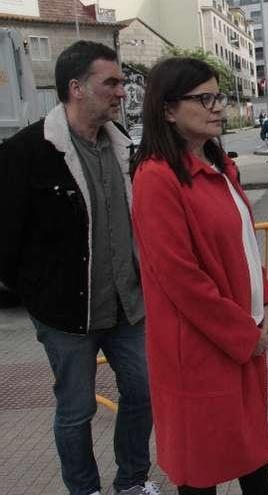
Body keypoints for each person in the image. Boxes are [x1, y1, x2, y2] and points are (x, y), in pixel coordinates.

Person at [0, 41, 158, 495]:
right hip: (67, 316)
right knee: (76, 410)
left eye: (122, 82)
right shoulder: (27, 151)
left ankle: (131, 482)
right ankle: (84, 490)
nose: (120, 92)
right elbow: (6, 237)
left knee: (144, 394)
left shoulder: (125, 148)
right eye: (110, 82)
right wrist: (37, 294)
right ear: (76, 88)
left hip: (128, 307)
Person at [130, 57, 268, 494]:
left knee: (253, 459)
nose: (218, 106)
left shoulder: (220, 167)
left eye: (218, 96)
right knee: (201, 476)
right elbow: (182, 280)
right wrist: (244, 331)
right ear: (168, 109)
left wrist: (265, 305)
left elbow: (245, 248)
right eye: (205, 98)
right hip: (199, 352)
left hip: (241, 338)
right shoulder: (157, 178)